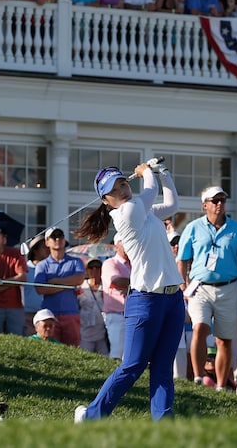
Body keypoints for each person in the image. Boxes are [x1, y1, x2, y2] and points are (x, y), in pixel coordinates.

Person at [73, 161, 183, 422]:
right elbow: (150, 192)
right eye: (115, 188)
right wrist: (147, 173)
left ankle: (164, 425)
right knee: (132, 366)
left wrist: (163, 173)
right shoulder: (126, 213)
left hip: (173, 299)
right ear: (106, 200)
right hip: (145, 300)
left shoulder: (143, 211)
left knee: (163, 369)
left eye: (123, 183)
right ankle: (92, 415)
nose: (122, 189)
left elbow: (172, 205)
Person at [177, 185, 237, 391]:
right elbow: (182, 259)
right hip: (200, 287)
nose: (220, 204)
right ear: (205, 205)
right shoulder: (193, 227)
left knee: (224, 339)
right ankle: (198, 377)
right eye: (215, 200)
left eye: (222, 200)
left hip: (228, 288)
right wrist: (182, 284)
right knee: (199, 328)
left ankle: (221, 385)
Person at [34, 227, 85, 346]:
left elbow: (79, 279)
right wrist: (68, 284)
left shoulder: (76, 261)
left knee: (73, 350)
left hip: (71, 312)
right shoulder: (42, 265)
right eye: (53, 237)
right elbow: (40, 289)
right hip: (50, 314)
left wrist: (55, 281)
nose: (57, 239)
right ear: (47, 242)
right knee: (50, 349)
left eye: (60, 236)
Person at [101, 235, 131, 360]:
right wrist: (137, 284)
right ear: (116, 245)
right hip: (116, 315)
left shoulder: (135, 264)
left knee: (130, 355)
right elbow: (117, 281)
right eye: (125, 242)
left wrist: (129, 286)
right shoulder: (110, 263)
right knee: (117, 354)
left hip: (133, 314)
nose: (129, 245)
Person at [78, 258, 109, 355]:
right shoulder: (81, 286)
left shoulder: (107, 286)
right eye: (91, 267)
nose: (94, 270)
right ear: (87, 270)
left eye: (98, 267)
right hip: (85, 332)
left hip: (102, 332)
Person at [22, 231, 50, 336]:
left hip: (46, 314)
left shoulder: (51, 268)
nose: (48, 249)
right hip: (28, 314)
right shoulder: (25, 269)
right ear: (35, 250)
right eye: (44, 247)